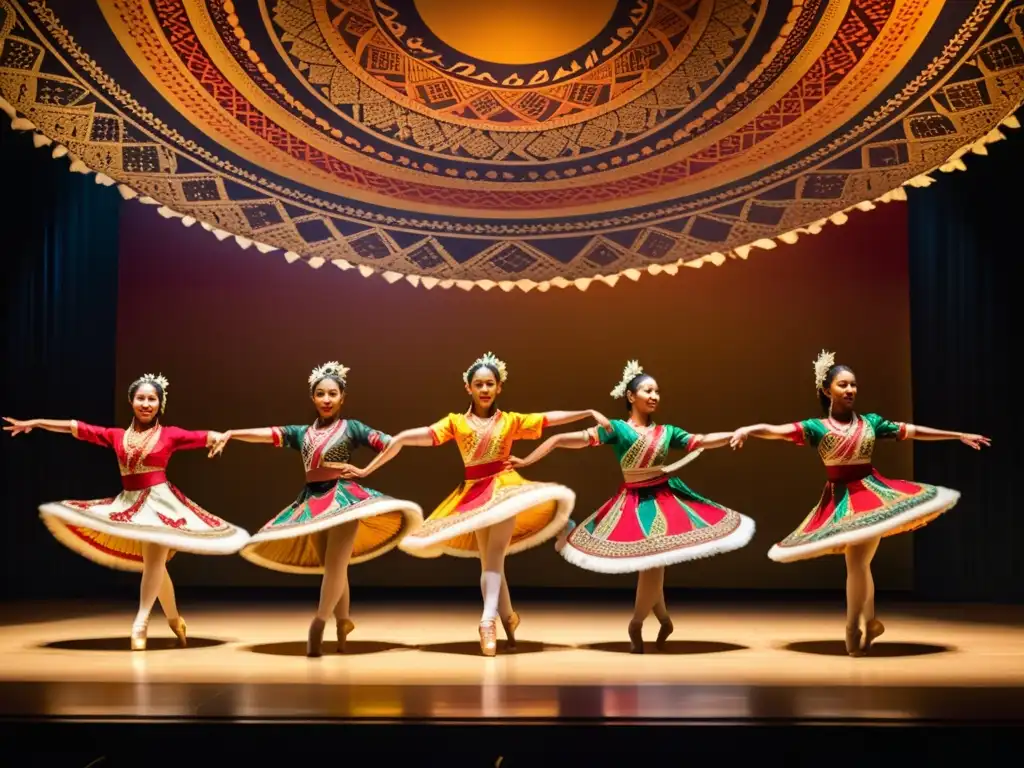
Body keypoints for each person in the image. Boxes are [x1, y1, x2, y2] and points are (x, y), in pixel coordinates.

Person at [338, 352, 609, 656]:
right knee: (491, 561)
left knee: (493, 556)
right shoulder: (455, 423)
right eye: (478, 384)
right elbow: (402, 439)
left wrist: (586, 411)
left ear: (499, 388)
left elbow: (548, 419)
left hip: (506, 491)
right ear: (468, 388)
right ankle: (508, 617)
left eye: (489, 384)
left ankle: (487, 622)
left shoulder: (510, 421)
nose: (484, 390)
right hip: (473, 495)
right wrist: (366, 470)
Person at [729, 350, 991, 656]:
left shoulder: (872, 423)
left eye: (853, 384)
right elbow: (777, 430)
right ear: (827, 391)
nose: (850, 390)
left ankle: (852, 629)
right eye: (843, 385)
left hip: (873, 497)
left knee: (856, 564)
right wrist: (748, 430)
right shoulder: (817, 428)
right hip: (839, 500)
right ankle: (869, 620)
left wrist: (957, 435)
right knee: (860, 565)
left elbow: (913, 431)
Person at [509, 360, 755, 652]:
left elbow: (700, 440)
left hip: (665, 498)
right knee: (652, 563)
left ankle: (650, 621)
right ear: (630, 396)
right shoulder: (617, 430)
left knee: (653, 563)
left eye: (657, 391)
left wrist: (735, 434)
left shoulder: (667, 431)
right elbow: (562, 439)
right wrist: (527, 461)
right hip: (634, 503)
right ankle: (652, 620)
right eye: (647, 390)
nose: (654, 396)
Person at [3, 374, 250, 650]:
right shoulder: (116, 436)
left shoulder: (170, 434)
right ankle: (175, 619)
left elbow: (203, 436)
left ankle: (140, 623)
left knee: (154, 562)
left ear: (160, 404)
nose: (146, 404)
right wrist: (35, 423)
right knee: (155, 566)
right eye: (140, 398)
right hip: (129, 503)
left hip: (161, 505)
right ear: (131, 401)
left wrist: (219, 438)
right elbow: (76, 428)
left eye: (152, 399)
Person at [209, 361, 423, 656]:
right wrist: (232, 433)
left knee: (335, 566)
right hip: (313, 501)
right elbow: (268, 433)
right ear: (312, 398)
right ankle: (344, 621)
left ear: (342, 397)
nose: (326, 399)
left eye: (332, 394)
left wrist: (365, 470)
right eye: (320, 394)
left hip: (346, 500)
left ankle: (319, 624)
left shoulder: (352, 428)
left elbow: (392, 444)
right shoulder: (302, 433)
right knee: (335, 568)